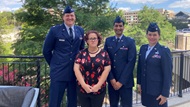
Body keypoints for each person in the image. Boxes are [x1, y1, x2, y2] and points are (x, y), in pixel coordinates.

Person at [42, 5, 85, 107]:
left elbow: (81, 50)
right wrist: (54, 64)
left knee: (73, 102)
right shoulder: (55, 30)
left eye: (71, 15)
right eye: (67, 16)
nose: (70, 18)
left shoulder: (80, 30)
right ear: (63, 17)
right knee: (55, 101)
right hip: (58, 72)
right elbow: (46, 50)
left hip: (74, 73)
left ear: (74, 17)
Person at [137, 22, 172, 107]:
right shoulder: (143, 48)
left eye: (154, 35)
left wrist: (165, 94)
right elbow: (140, 67)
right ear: (146, 35)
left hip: (157, 92)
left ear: (159, 36)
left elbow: (168, 74)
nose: (152, 37)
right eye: (150, 34)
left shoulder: (164, 51)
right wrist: (139, 83)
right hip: (146, 90)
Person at [104, 16, 137, 107]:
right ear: (113, 27)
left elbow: (131, 62)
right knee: (113, 105)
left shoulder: (130, 41)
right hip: (112, 81)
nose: (118, 28)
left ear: (123, 27)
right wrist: (112, 79)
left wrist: (121, 82)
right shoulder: (108, 41)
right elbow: (106, 61)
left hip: (125, 82)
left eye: (120, 26)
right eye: (116, 26)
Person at [74, 30, 111, 107]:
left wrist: (98, 85)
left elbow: (107, 69)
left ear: (98, 40)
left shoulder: (104, 53)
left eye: (95, 38)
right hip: (83, 89)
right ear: (87, 40)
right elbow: (76, 68)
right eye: (90, 38)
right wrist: (84, 85)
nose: (93, 40)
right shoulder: (81, 53)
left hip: (99, 89)